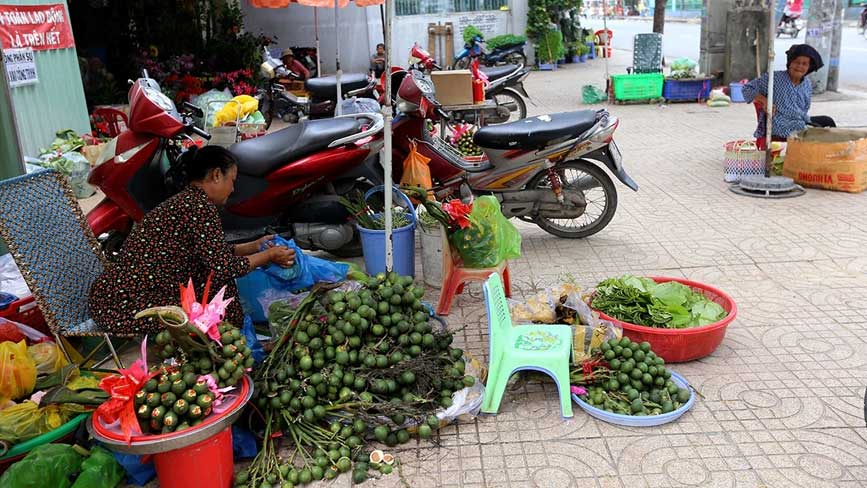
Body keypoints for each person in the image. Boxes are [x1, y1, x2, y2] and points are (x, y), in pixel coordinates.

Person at [88, 146, 296, 334]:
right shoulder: (199, 207)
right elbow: (223, 267)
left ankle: (234, 334)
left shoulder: (190, 200)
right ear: (216, 175)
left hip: (113, 297)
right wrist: (268, 255)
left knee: (212, 279)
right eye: (232, 180)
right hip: (123, 305)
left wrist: (253, 246)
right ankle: (231, 338)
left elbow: (212, 253)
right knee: (217, 288)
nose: (233, 189)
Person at [742, 44, 835, 142]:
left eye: (804, 64)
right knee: (817, 133)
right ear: (790, 63)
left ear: (809, 67)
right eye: (796, 62)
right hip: (781, 124)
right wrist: (764, 100)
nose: (799, 66)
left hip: (800, 121)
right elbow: (747, 89)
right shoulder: (774, 78)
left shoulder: (807, 83)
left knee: (828, 122)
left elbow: (804, 109)